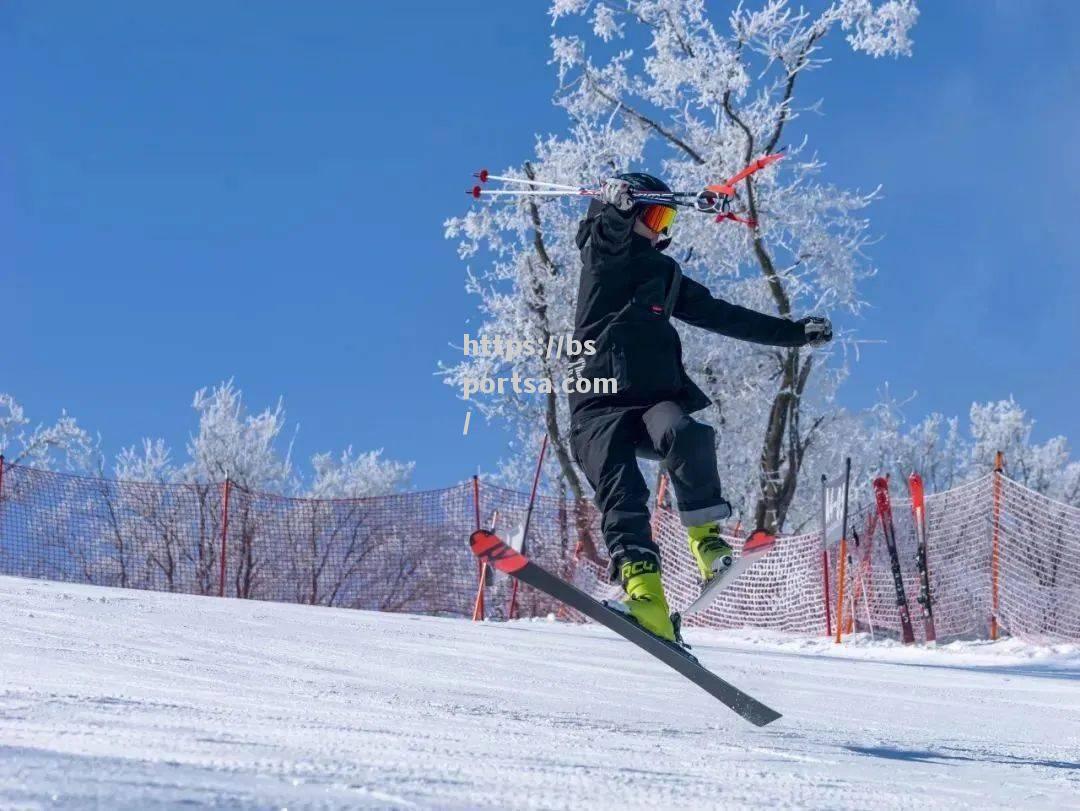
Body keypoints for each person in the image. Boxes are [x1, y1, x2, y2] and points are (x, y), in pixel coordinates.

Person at [568, 173, 833, 643]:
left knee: (686, 434)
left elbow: (725, 315)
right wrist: (616, 209)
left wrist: (793, 334)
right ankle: (647, 598)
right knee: (622, 491)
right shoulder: (603, 260)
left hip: (651, 400)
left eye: (666, 217)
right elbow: (605, 235)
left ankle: (706, 541)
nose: (659, 228)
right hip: (597, 407)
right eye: (652, 216)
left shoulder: (664, 275)